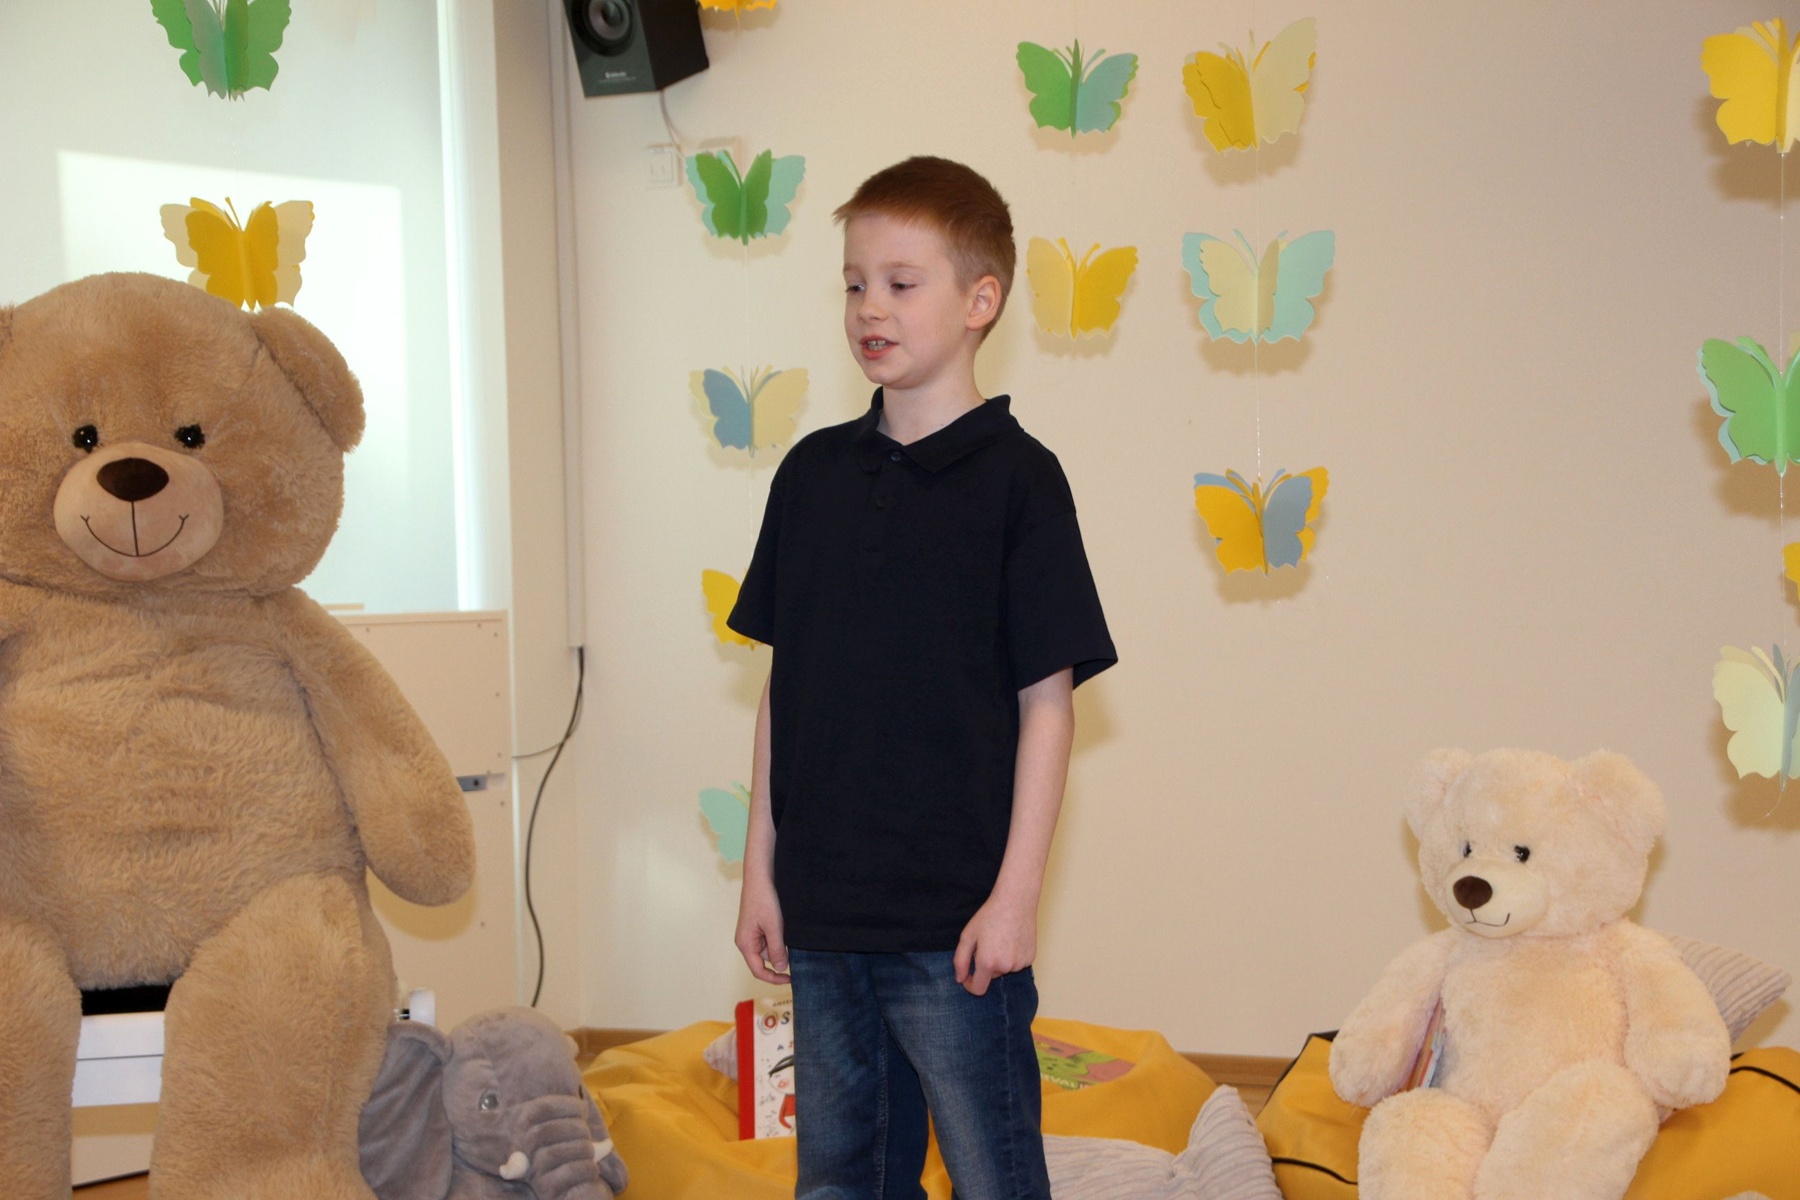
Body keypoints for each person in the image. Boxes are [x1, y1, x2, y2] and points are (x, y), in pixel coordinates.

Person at [727, 155, 1115, 1200]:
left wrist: (1016, 897)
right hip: (824, 912)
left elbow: (1048, 708)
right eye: (855, 283)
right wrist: (762, 872)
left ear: (981, 301)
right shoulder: (810, 475)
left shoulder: (1022, 482)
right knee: (839, 1176)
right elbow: (785, 691)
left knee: (993, 1174)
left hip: (956, 926)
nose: (870, 307)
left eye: (902, 283)